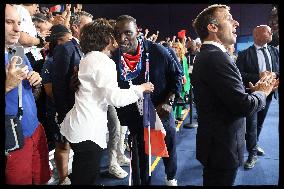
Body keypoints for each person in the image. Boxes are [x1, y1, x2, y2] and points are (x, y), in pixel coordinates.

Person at [59, 18, 154, 185]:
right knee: (85, 178)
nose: (118, 37)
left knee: (85, 173)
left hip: (80, 127)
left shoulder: (88, 58)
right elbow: (116, 98)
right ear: (105, 38)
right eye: (114, 34)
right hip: (88, 132)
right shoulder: (103, 61)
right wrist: (141, 88)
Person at [191, 4, 277, 186]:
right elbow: (244, 106)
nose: (236, 22)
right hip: (221, 147)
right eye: (229, 18)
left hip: (216, 145)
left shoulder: (210, 55)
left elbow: (221, 96)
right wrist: (262, 92)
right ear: (212, 27)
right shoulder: (216, 57)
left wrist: (249, 92)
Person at [113, 15, 183, 186]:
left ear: (137, 32)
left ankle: (171, 176)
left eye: (128, 33)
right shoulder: (114, 58)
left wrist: (169, 102)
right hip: (134, 115)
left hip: (161, 109)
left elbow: (177, 77)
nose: (122, 39)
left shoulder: (158, 51)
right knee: (140, 153)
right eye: (118, 34)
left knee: (168, 145)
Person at [5, 4, 51, 184]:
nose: (17, 29)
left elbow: (32, 93)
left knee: (41, 178)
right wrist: (7, 85)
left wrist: (36, 81)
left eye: (19, 22)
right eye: (9, 22)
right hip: (13, 138)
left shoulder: (17, 51)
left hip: (35, 129)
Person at [236, 25, 279, 169]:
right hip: (252, 94)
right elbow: (240, 75)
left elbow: (278, 69)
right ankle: (252, 154)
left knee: (259, 123)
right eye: (267, 31)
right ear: (257, 35)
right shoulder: (244, 54)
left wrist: (274, 75)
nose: (271, 32)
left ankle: (254, 144)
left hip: (269, 93)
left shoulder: (274, 51)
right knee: (252, 125)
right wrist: (258, 77)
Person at [50, 24, 83, 185]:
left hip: (75, 108)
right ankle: (63, 179)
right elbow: (55, 88)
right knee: (63, 145)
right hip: (64, 110)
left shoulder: (79, 49)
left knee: (74, 146)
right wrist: (63, 114)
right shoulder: (61, 52)